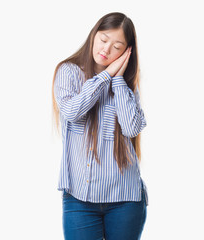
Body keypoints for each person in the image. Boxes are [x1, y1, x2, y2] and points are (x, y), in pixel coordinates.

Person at [52, 12, 147, 240]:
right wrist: (106, 76)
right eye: (104, 40)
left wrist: (117, 80)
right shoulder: (68, 72)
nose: (106, 50)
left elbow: (132, 128)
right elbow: (72, 111)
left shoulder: (125, 85)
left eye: (117, 46)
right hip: (79, 200)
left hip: (125, 199)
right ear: (94, 35)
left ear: (126, 52)